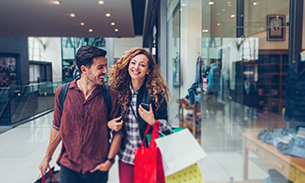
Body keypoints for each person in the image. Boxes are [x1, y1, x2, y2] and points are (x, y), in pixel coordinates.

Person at [38, 46, 123, 183]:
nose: (106, 71)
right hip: (68, 166)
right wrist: (47, 158)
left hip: (97, 167)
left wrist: (109, 161)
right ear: (84, 69)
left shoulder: (109, 94)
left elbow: (118, 132)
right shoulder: (63, 92)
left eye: (105, 66)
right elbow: (57, 128)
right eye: (100, 67)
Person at [107, 48, 172, 183]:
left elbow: (166, 125)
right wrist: (109, 124)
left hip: (148, 154)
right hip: (126, 155)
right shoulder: (117, 91)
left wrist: (153, 121)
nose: (136, 67)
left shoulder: (156, 93)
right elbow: (107, 117)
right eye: (133, 63)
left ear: (148, 70)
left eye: (142, 65)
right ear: (127, 65)